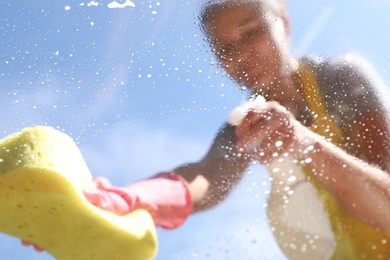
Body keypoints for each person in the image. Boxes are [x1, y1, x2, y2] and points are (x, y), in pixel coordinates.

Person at [29, 0, 390, 258]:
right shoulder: (244, 123)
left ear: (283, 19)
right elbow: (204, 182)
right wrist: (124, 201)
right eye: (225, 49)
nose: (241, 56)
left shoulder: (339, 79)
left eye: (251, 33)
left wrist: (303, 141)